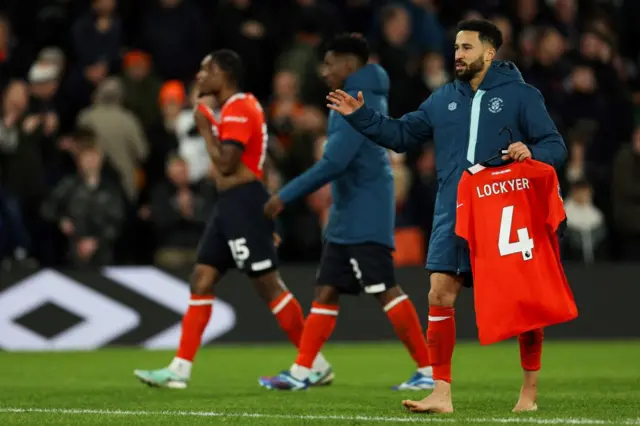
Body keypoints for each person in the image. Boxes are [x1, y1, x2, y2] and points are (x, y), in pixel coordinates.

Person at [326, 20, 567, 413]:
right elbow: (402, 136)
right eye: (456, 47)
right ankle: (441, 393)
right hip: (452, 212)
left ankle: (528, 393)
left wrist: (532, 152)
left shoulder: (522, 96)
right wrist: (361, 116)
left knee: (522, 305)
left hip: (504, 215)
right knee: (439, 293)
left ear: (490, 53)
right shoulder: (442, 99)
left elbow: (555, 146)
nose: (458, 54)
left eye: (468, 47)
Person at [134, 50, 332, 389]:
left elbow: (226, 164)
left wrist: (205, 127)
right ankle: (179, 369)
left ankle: (313, 362)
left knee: (268, 285)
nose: (199, 75)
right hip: (228, 204)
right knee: (202, 278)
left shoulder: (240, 107)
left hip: (243, 203)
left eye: (205, 69)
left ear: (223, 74)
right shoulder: (235, 108)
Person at [258, 34, 434, 391]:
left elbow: (333, 163)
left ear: (348, 65)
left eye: (329, 63)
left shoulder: (357, 102)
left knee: (385, 288)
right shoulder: (355, 97)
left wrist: (283, 197)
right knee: (326, 290)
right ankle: (304, 370)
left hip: (364, 211)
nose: (323, 71)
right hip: (349, 211)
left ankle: (429, 368)